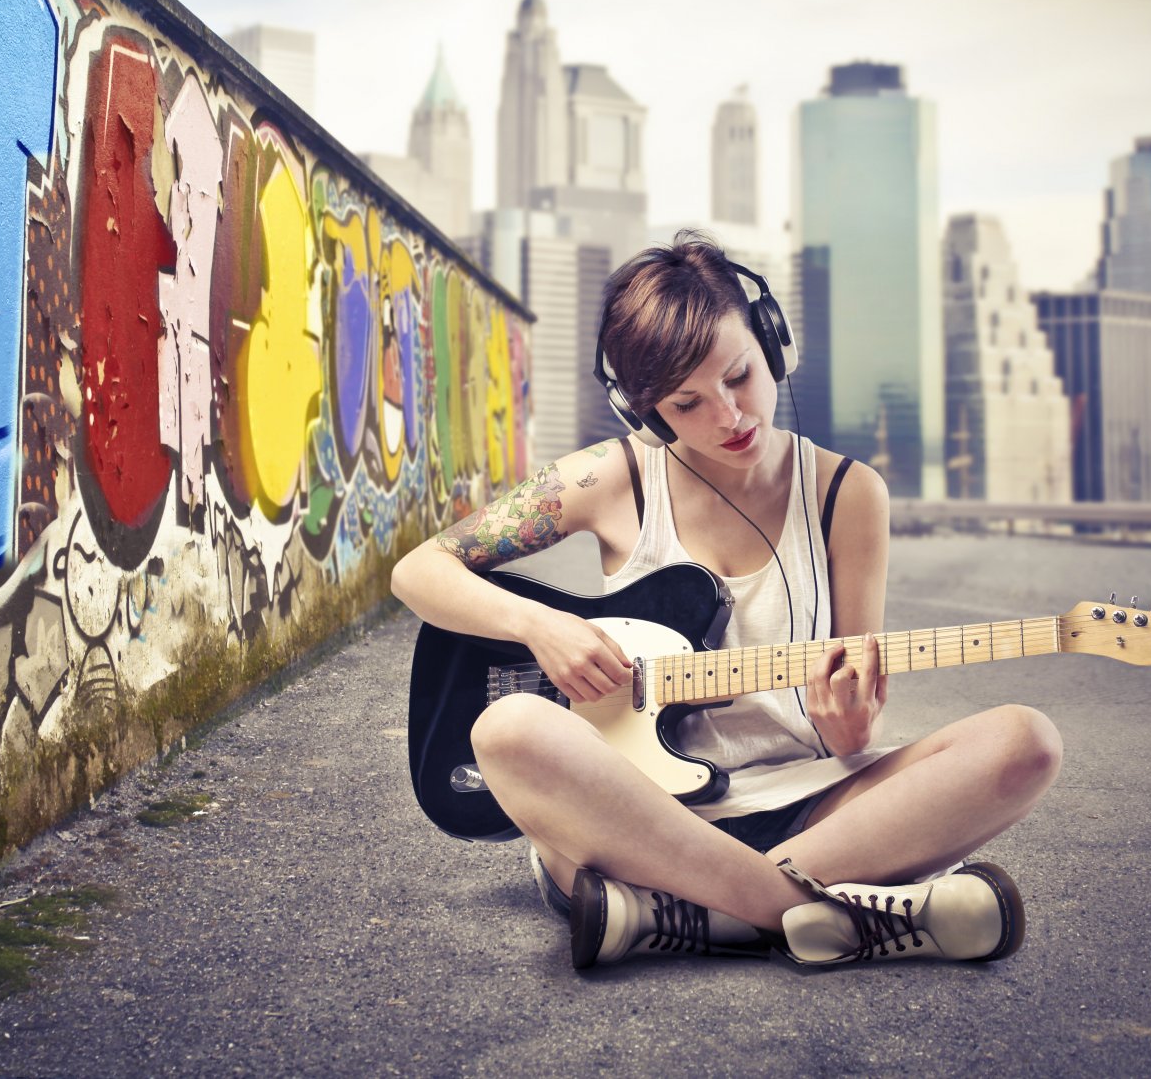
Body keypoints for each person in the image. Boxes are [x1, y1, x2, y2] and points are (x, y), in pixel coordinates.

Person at [389, 230, 1063, 968]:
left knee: (1025, 742)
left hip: (815, 807)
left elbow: (851, 719)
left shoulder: (848, 495)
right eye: (687, 403)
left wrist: (849, 727)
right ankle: (838, 915)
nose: (728, 416)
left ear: (771, 344)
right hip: (643, 819)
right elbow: (421, 570)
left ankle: (689, 917)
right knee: (509, 731)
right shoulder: (611, 479)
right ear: (645, 412)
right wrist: (541, 627)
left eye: (740, 377)